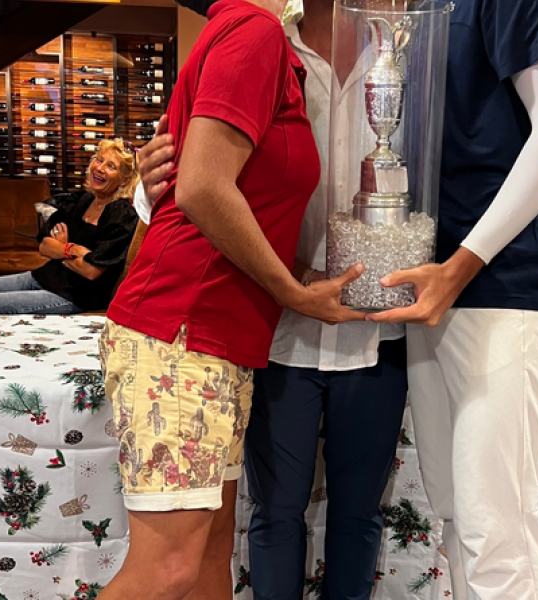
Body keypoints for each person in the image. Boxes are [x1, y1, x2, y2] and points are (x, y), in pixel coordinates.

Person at [133, 1, 406, 597]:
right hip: (274, 329)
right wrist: (146, 185)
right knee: (273, 514)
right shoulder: (261, 42)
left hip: (377, 327)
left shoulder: (406, 54)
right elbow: (188, 175)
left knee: (359, 515)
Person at [366, 0, 538, 598]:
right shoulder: (425, 10)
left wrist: (462, 264)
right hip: (439, 284)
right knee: (458, 516)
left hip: (502, 286)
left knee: (497, 530)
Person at [0, 138, 139, 315]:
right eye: (99, 160)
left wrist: (60, 249)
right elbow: (44, 246)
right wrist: (72, 250)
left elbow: (91, 270)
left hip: (71, 295)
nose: (100, 168)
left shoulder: (121, 215)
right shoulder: (82, 200)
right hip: (43, 276)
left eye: (111, 166)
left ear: (125, 180)